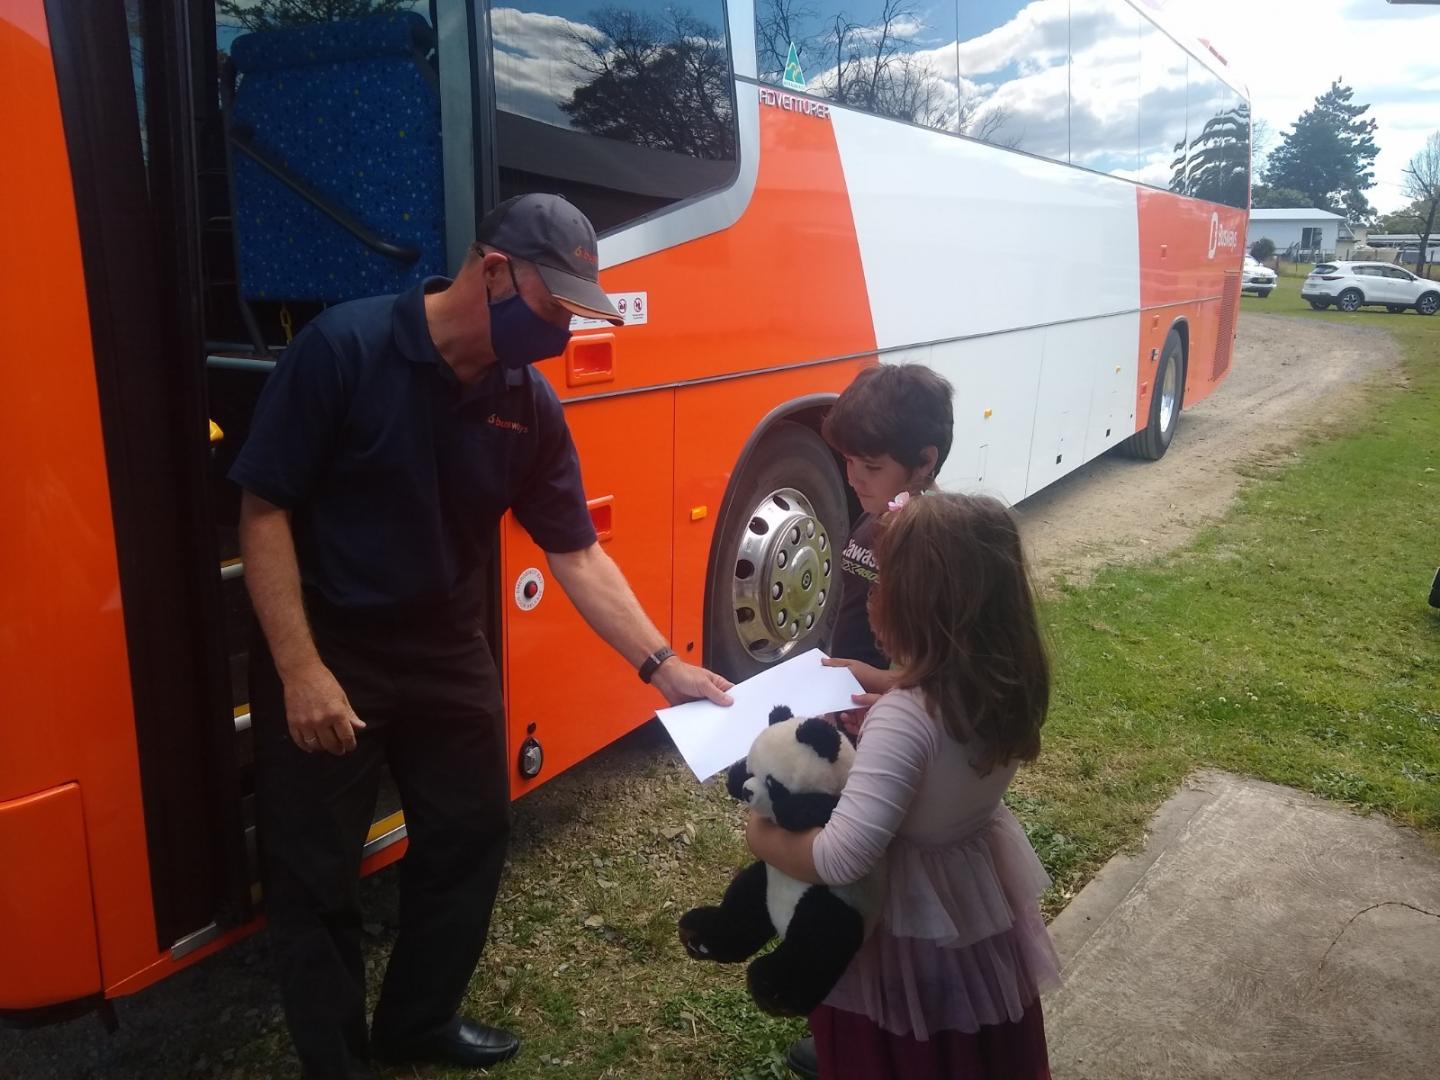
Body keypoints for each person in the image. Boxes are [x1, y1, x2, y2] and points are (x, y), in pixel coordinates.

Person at [231, 193, 732, 1080]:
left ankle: (417, 1024)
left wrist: (664, 668)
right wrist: (299, 669)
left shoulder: (525, 402)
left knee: (469, 834)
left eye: (580, 312)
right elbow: (264, 508)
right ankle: (336, 1065)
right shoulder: (344, 350)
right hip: (333, 643)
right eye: (556, 306)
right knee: (315, 877)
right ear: (494, 270)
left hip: (449, 644)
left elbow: (576, 553)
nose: (566, 330)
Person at [745, 492, 1059, 1080]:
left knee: (897, 1054)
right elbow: (938, 753)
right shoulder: (1000, 686)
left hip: (900, 923)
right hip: (970, 907)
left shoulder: (905, 718)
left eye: (882, 585)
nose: (869, 598)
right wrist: (889, 694)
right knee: (971, 1047)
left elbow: (842, 858)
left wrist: (760, 837)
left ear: (921, 605)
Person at [784, 364, 955, 1078]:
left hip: (886, 735)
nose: (855, 476)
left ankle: (883, 1046)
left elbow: (936, 679)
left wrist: (863, 683)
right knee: (850, 907)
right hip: (851, 715)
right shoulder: (877, 514)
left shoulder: (930, 546)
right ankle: (847, 1035)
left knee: (880, 905)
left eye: (871, 465)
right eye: (847, 461)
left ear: (926, 462)